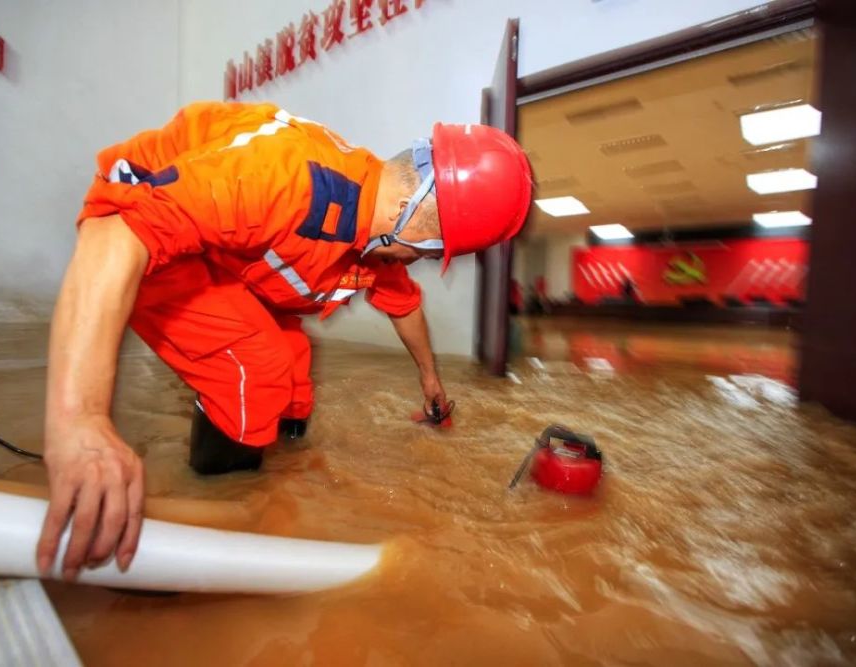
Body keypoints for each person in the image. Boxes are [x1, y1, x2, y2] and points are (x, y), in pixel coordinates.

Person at [36, 102, 532, 580]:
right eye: (429, 251)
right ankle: (212, 518)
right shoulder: (283, 178)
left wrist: (430, 380)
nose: (419, 260)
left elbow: (403, 306)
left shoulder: (374, 229)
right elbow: (118, 232)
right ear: (410, 211)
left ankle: (271, 476)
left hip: (218, 247)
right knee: (256, 370)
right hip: (139, 231)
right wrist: (81, 423)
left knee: (296, 373)